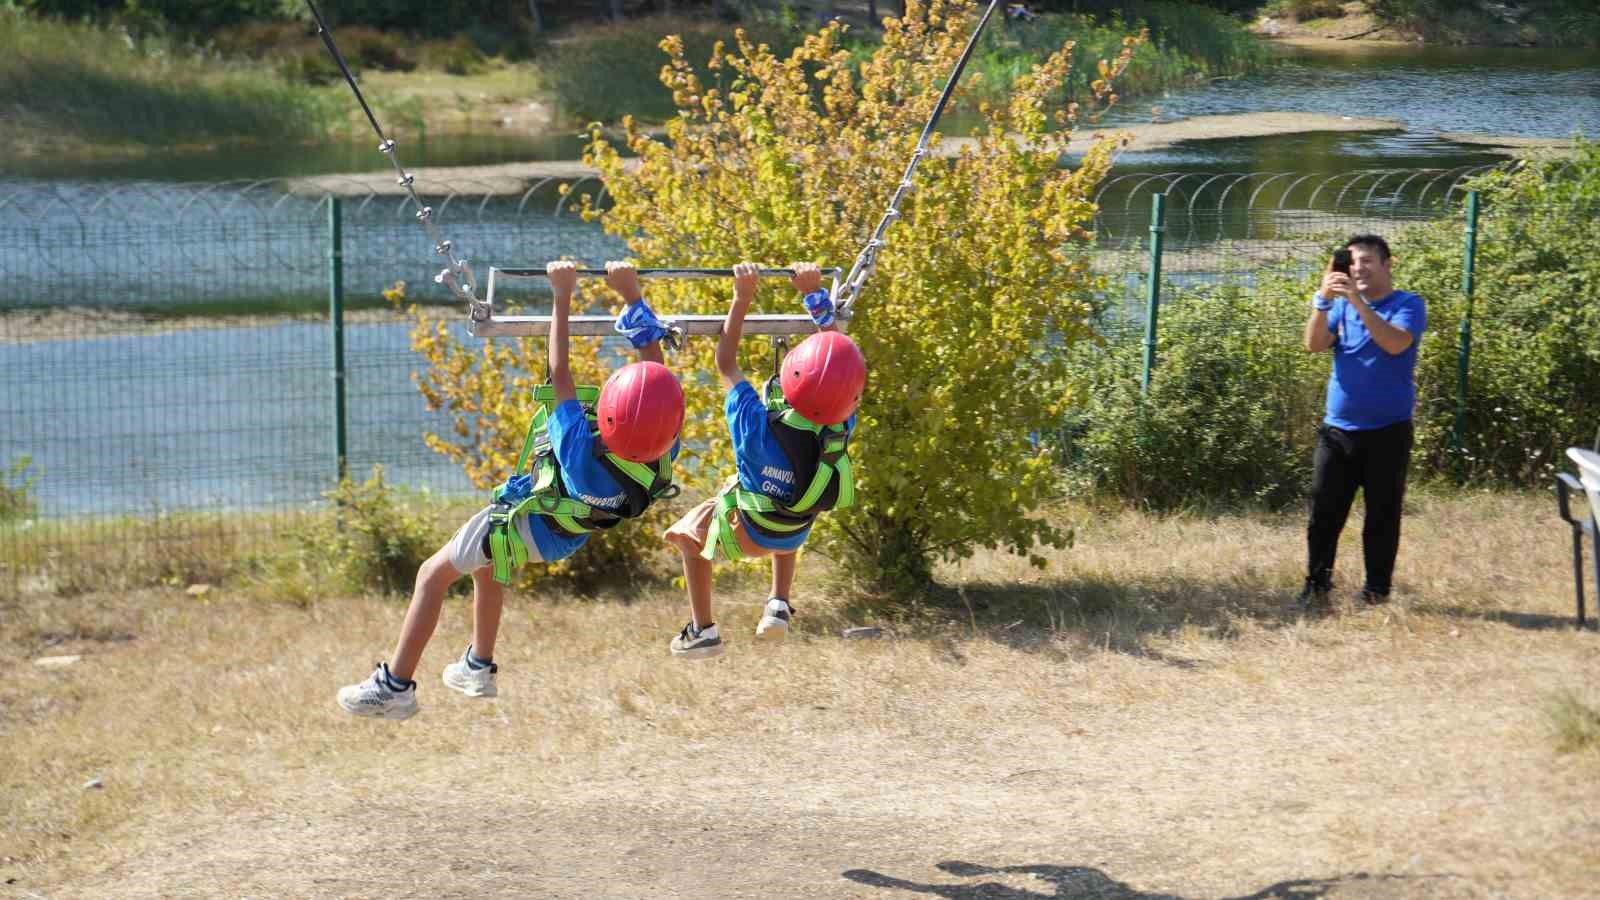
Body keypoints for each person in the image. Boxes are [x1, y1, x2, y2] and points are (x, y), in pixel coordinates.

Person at [337, 261, 685, 718]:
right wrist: (632, 297)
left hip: (526, 521)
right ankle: (477, 666)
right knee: (486, 564)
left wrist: (562, 295)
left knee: (431, 575)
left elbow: (559, 372)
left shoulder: (581, 451)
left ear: (609, 414)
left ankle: (395, 686)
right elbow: (655, 378)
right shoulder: (664, 452)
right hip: (564, 535)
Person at [663, 261, 866, 658]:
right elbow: (837, 359)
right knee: (795, 489)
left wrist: (742, 298)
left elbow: (726, 363)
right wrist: (814, 294)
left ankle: (702, 629)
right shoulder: (841, 424)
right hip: (795, 530)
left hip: (749, 531)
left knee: (688, 535)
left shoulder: (756, 426)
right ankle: (778, 602)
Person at [1298, 234, 1426, 611]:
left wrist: (1356, 299)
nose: (1358, 269)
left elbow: (1394, 343)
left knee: (1381, 515)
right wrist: (1322, 302)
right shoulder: (1337, 307)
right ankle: (1317, 586)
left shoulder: (1408, 304)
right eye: (1351, 263)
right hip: (1337, 431)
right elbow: (1313, 345)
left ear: (1388, 264)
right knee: (1323, 512)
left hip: (1388, 431)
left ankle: (1376, 592)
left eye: (1367, 261)